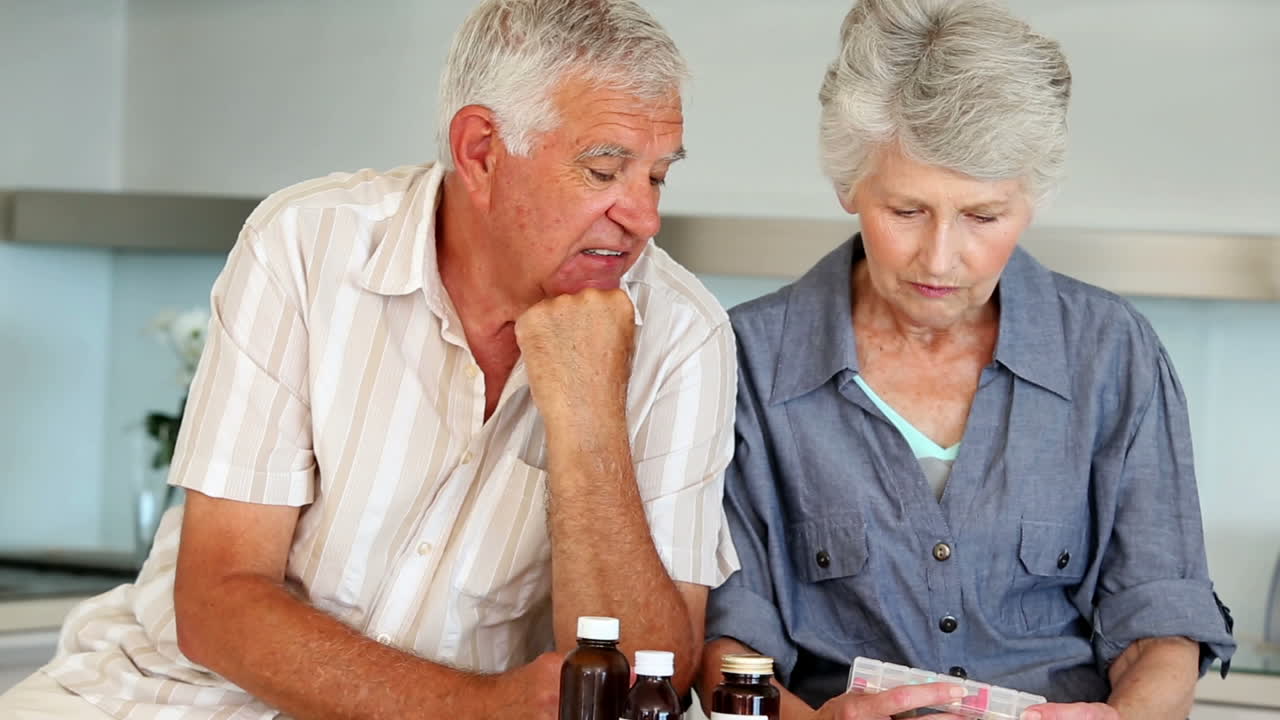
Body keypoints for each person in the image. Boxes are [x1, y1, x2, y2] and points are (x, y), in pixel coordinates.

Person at [0, 2, 739, 718]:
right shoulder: (303, 246)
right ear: (481, 151)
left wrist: (588, 420)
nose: (644, 217)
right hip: (170, 696)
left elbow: (652, 681)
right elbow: (219, 601)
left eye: (658, 176)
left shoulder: (684, 335)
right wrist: (475, 710)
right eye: (604, 171)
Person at [699, 1, 1235, 718]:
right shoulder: (746, 362)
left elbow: (1161, 624)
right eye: (907, 211)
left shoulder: (1113, 354)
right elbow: (728, 653)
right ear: (848, 185)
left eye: (983, 216)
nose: (942, 258)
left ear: (1032, 200)